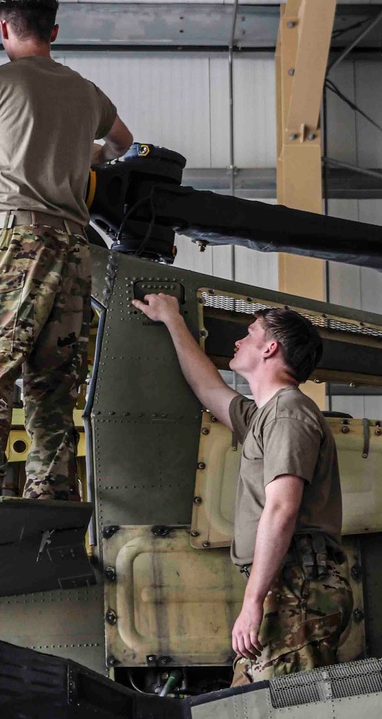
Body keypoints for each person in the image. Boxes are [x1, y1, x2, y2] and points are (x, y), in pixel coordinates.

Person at [0, 0, 134, 502]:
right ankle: (52, 489)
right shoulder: (86, 91)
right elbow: (123, 143)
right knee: (52, 382)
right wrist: (83, 157)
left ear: (4, 28)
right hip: (74, 250)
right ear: (53, 31)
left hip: (15, 241)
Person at [131, 293, 351, 684]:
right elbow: (208, 388)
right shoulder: (266, 415)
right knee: (255, 709)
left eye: (249, 334)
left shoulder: (288, 413)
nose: (237, 342)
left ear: (270, 348)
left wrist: (252, 602)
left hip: (295, 585)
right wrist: (172, 320)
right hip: (284, 585)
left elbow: (282, 509)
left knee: (284, 715)